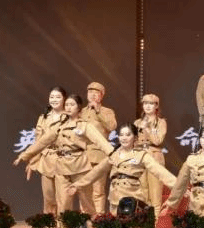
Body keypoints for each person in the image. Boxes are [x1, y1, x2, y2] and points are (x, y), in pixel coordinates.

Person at [14, 94, 114, 216]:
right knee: (63, 204)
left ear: (79, 108)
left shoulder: (84, 125)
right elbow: (43, 141)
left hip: (80, 167)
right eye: (66, 104)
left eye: (72, 104)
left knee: (87, 202)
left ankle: (92, 225)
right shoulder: (60, 125)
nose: (68, 107)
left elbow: (100, 141)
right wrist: (25, 155)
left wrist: (113, 154)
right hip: (61, 167)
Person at [66, 123, 177, 215]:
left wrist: (178, 187)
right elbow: (96, 172)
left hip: (133, 198)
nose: (124, 138)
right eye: (121, 135)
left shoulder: (141, 155)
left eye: (128, 135)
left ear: (135, 138)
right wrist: (77, 185)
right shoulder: (114, 155)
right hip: (115, 198)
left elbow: (160, 171)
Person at [25, 86, 67, 215]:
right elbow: (38, 142)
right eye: (52, 97)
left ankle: (62, 225)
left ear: (64, 99)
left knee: (63, 199)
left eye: (58, 97)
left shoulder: (69, 116)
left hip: (64, 161)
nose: (54, 99)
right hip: (47, 160)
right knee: (49, 197)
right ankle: (49, 224)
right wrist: (32, 162)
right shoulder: (43, 117)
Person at [79, 82, 117, 214]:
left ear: (102, 96)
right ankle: (85, 218)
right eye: (90, 92)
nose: (93, 95)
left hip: (98, 156)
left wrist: (98, 111)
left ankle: (99, 218)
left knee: (98, 190)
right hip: (82, 156)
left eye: (96, 93)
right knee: (83, 190)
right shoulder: (81, 112)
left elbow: (112, 126)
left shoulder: (107, 111)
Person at [133, 94, 167, 218]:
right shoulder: (137, 123)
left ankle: (155, 223)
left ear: (156, 106)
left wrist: (147, 129)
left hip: (155, 158)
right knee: (143, 193)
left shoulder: (161, 122)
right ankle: (144, 222)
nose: (147, 106)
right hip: (140, 158)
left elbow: (158, 141)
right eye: (145, 103)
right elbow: (133, 141)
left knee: (155, 194)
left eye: (151, 103)